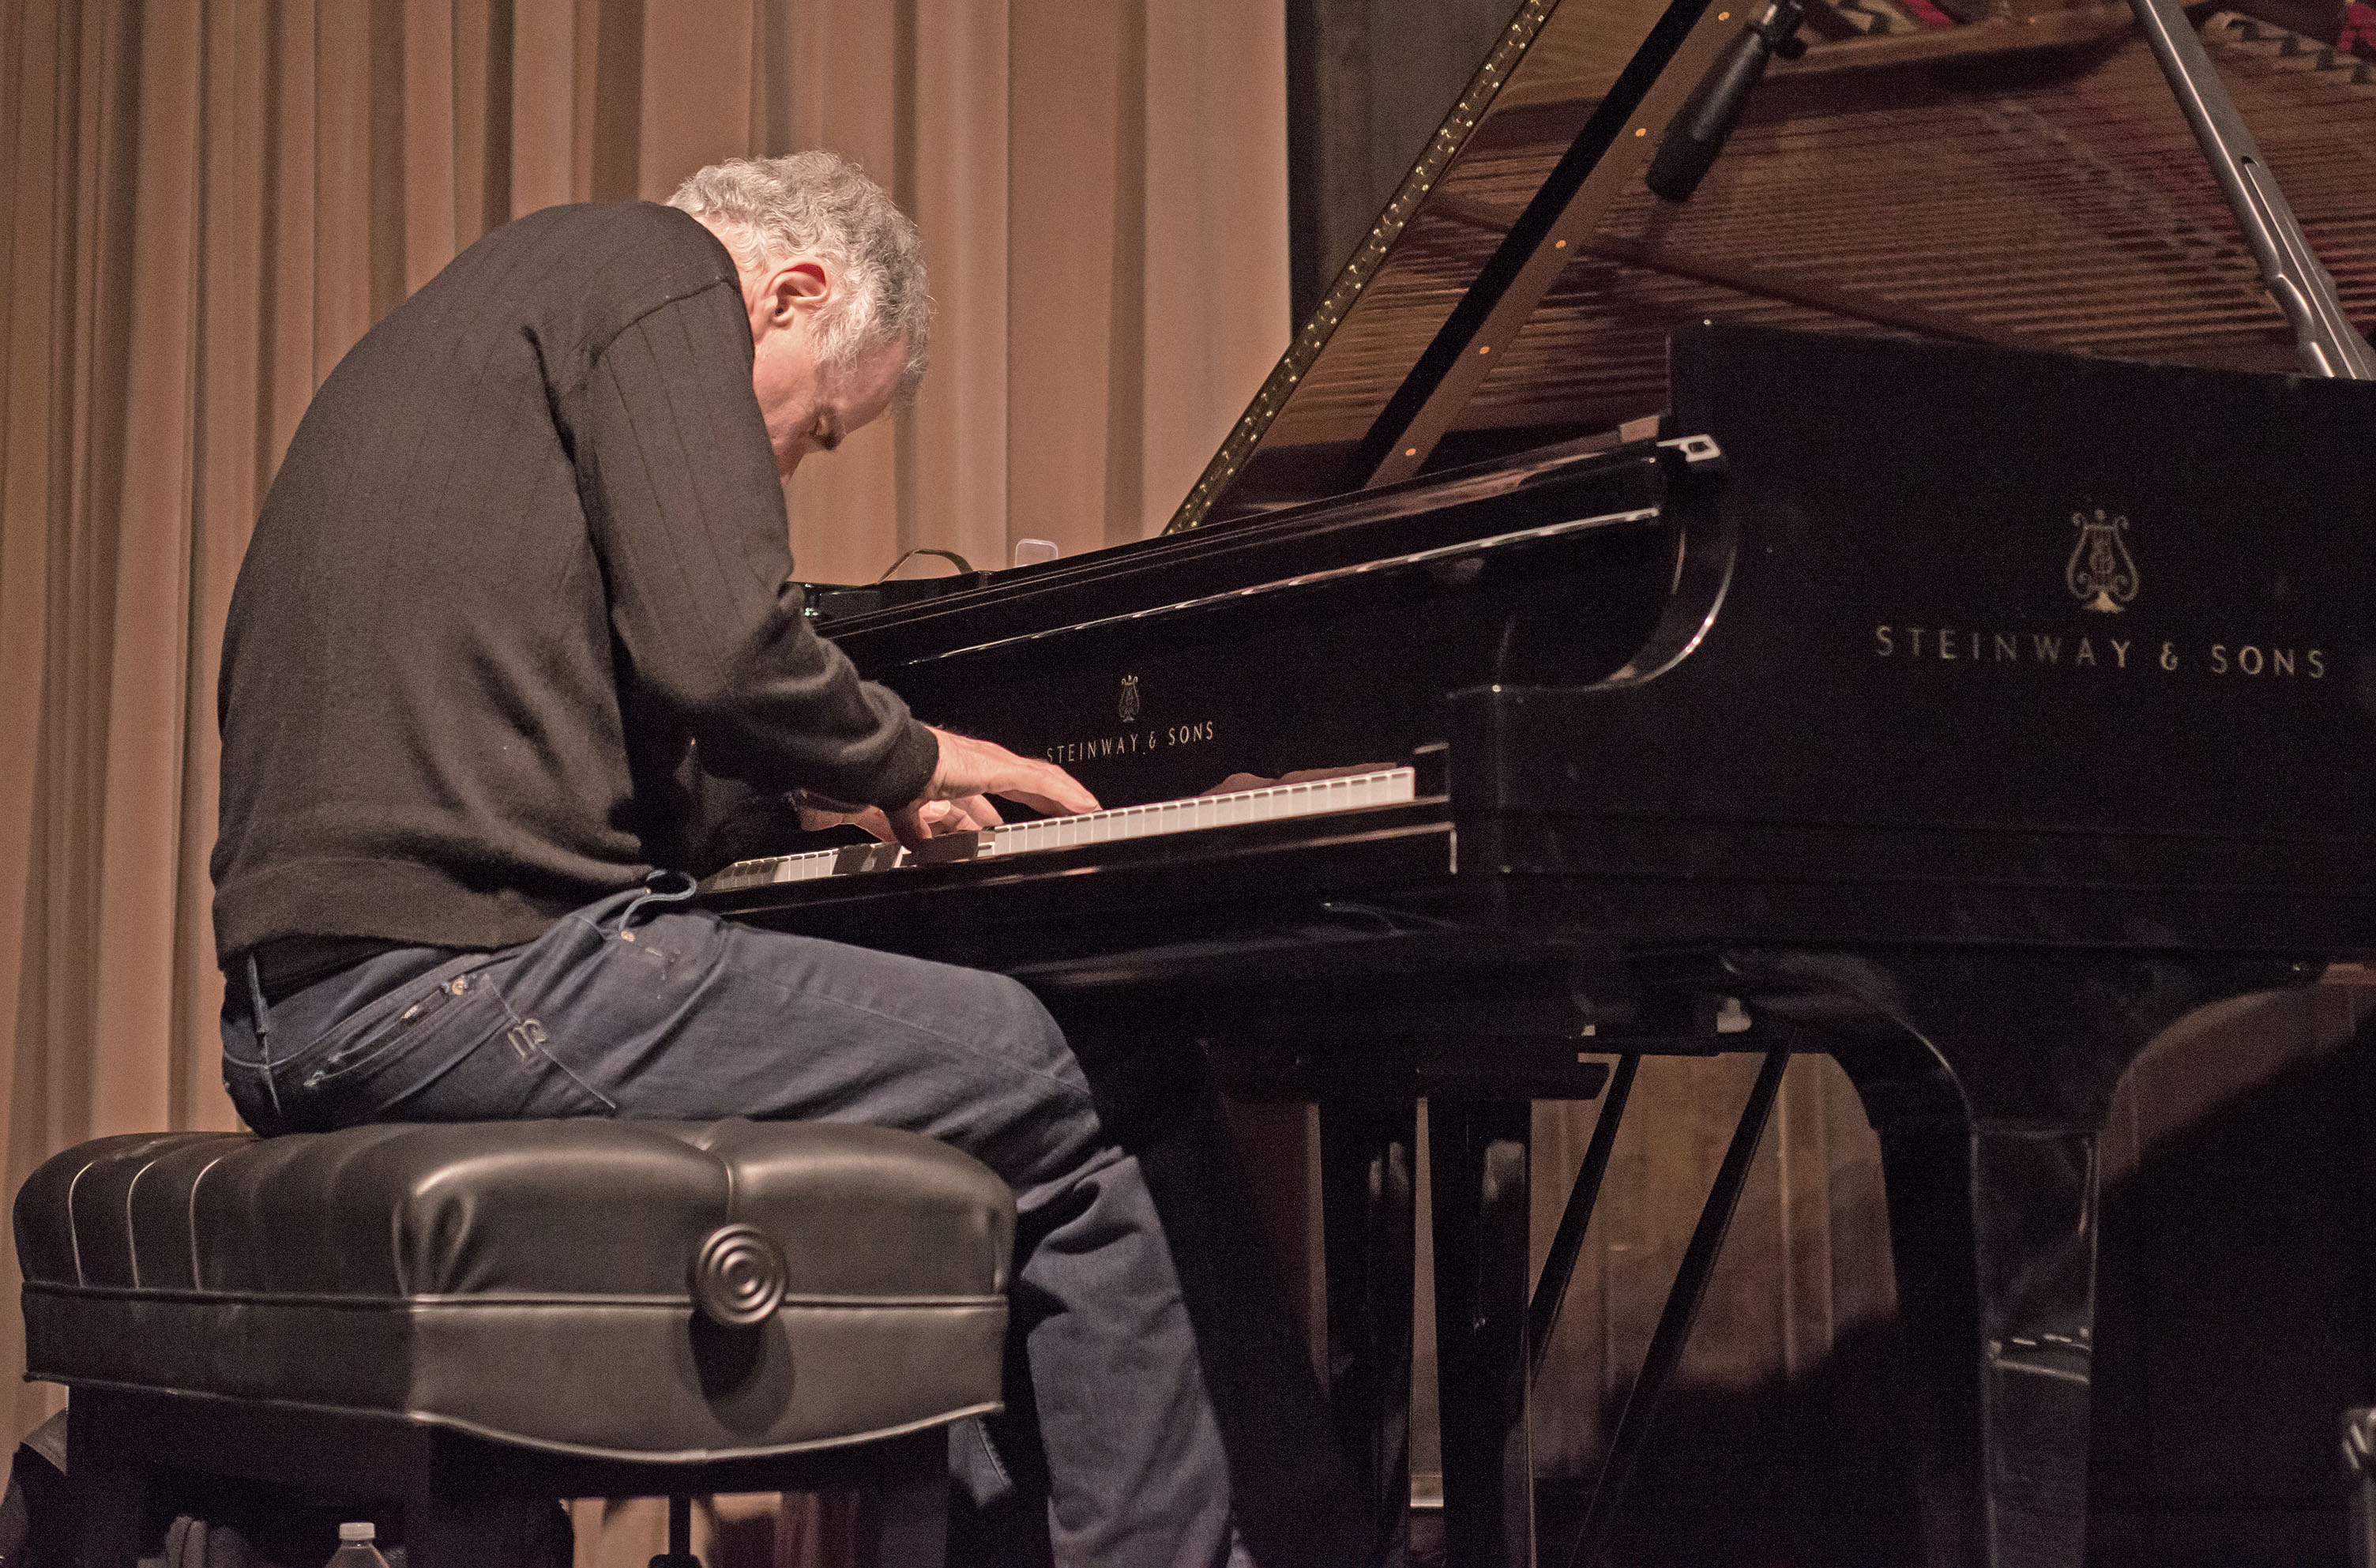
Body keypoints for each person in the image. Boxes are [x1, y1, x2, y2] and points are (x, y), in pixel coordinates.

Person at [211, 152, 1336, 1568]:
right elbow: (725, 643)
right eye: (817, 430)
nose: (792, 464)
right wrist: (915, 756)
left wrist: (796, 807)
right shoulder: (659, 273)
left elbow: (587, 720)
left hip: (296, 1012)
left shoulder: (478, 326)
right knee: (1065, 1076)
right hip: (471, 980)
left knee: (985, 1086)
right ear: (788, 294)